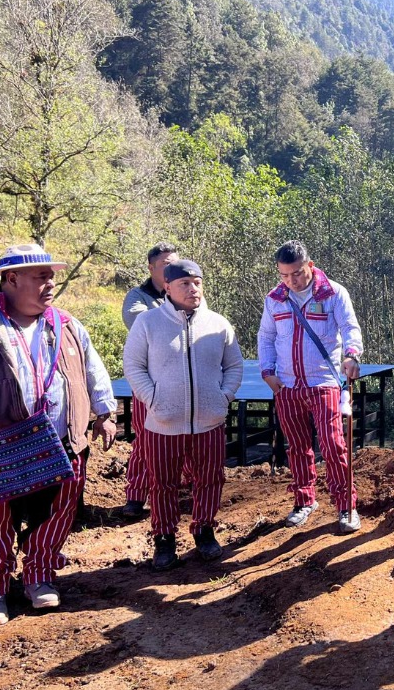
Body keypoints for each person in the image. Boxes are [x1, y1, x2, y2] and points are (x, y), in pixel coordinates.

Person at [0, 244, 117, 627]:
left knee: (55, 511)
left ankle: (40, 576)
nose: (51, 284)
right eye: (42, 277)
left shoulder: (67, 324)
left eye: (51, 276)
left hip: (61, 439)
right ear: (11, 279)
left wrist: (105, 412)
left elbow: (93, 368)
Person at [123, 259, 244, 569]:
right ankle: (164, 539)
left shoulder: (218, 324)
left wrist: (223, 396)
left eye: (197, 283)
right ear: (167, 287)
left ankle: (204, 530)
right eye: (185, 284)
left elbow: (233, 365)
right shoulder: (148, 323)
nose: (193, 289)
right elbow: (133, 367)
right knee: (162, 483)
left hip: (209, 421)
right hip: (163, 423)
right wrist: (153, 399)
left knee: (210, 479)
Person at [257, 240, 364, 533]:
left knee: (333, 444)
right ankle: (304, 500)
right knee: (297, 447)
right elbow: (266, 337)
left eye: (297, 273)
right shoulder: (274, 299)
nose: (291, 280)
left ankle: (346, 506)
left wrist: (352, 355)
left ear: (310, 266)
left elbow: (350, 328)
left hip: (324, 383)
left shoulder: (333, 293)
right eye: (284, 275)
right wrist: (268, 373)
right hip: (287, 386)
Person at [120, 242, 180, 520]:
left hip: (182, 379)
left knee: (187, 437)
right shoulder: (137, 297)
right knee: (146, 438)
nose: (171, 268)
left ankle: (181, 493)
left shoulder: (185, 291)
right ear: (151, 268)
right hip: (149, 381)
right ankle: (136, 495)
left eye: (175, 262)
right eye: (166, 264)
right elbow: (140, 323)